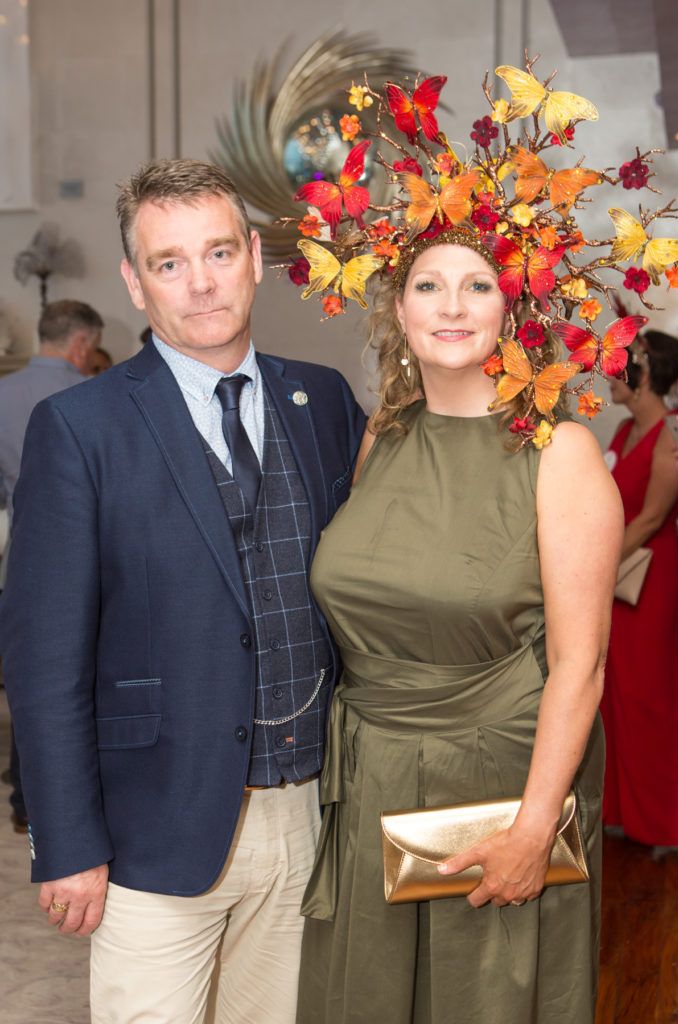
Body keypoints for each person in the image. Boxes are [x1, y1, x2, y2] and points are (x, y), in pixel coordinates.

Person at [280, 61, 678, 1023]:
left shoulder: (561, 456)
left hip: (497, 787)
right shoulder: (380, 435)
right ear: (399, 307)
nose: (452, 305)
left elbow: (580, 667)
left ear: (515, 307)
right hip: (368, 771)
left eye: (478, 284)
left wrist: (533, 826)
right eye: (429, 284)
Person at [0, 158, 365, 1024]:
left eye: (217, 253)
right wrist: (66, 840)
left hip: (307, 814)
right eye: (169, 263)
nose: (200, 284)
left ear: (254, 258)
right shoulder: (79, 427)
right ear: (134, 282)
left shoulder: (324, 402)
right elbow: (43, 659)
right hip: (152, 826)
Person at [0, 298, 102, 832]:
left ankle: (23, 801)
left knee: (32, 678)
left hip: (20, 555)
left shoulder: (1, 394)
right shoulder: (89, 395)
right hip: (89, 559)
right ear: (82, 344)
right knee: (80, 679)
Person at [602, 330, 678, 852]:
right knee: (614, 693)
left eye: (620, 365)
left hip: (649, 575)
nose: (610, 374)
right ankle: (623, 812)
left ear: (645, 372)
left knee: (648, 695)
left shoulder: (671, 435)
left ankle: (667, 823)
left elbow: (653, 515)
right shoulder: (623, 430)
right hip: (616, 574)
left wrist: (595, 565)